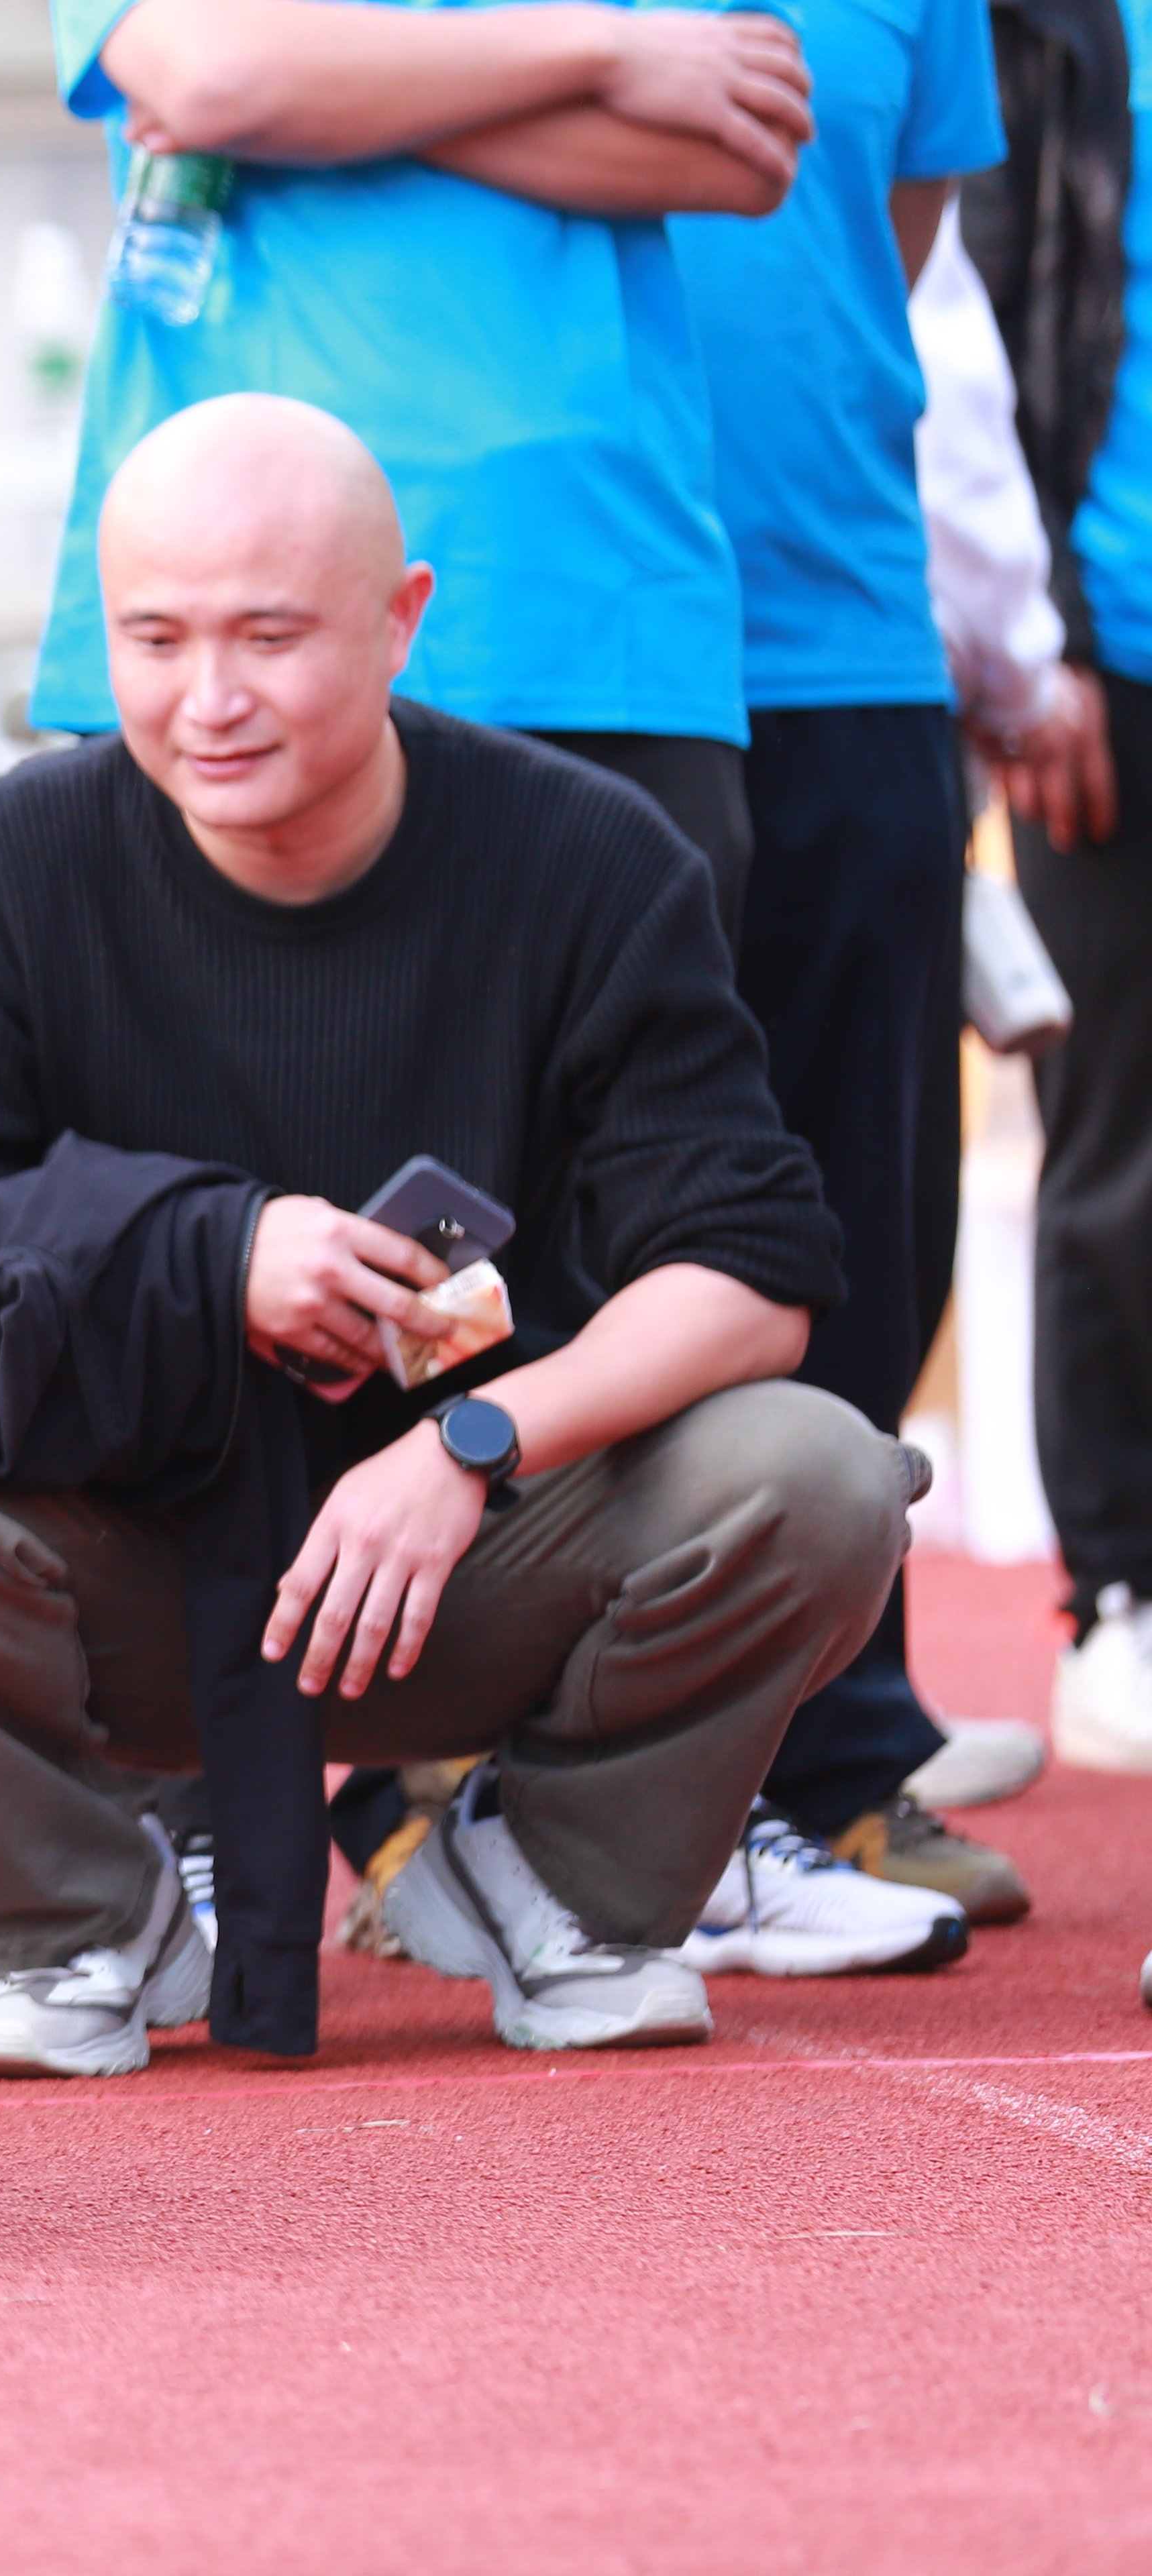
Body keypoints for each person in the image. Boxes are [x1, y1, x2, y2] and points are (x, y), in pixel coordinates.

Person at [0, 398, 930, 2080]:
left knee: (822, 1474)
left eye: (269, 637)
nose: (208, 698)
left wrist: (474, 1442)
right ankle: (84, 1916)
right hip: (122, 1569)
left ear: (402, 619)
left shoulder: (586, 857)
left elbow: (754, 1270)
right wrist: (199, 1261)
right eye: (154, 640)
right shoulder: (3, 869)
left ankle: (552, 1874)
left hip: (482, 1569)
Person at [38, 0, 823, 922]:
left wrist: (311, 96)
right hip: (217, 614)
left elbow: (739, 152)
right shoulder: (598, 45)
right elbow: (212, 76)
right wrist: (603, 47)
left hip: (581, 604)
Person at [662, 0, 1036, 1927]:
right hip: (596, 631)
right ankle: (501, 1768)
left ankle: (839, 1741)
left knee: (869, 1220)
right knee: (572, 1228)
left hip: (853, 627)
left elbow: (901, 232)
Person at [981, 0, 1152, 1782]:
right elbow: (977, 306)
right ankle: (1122, 1591)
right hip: (1112, 645)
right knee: (1117, 1127)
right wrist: (1037, 642)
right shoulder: (1053, 22)